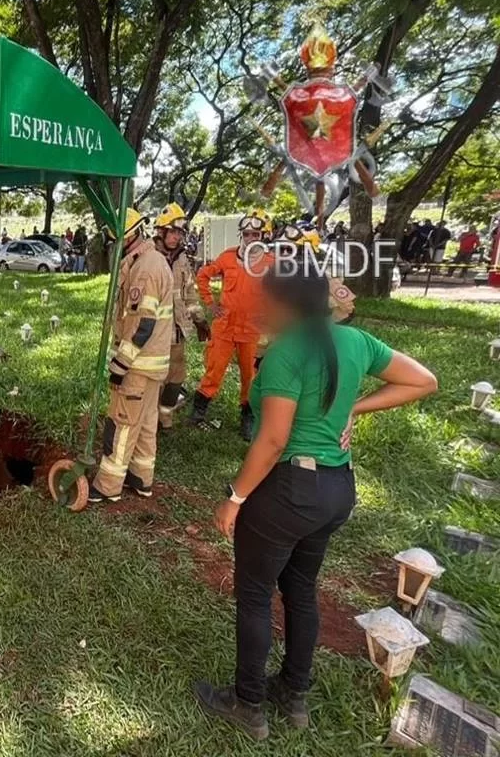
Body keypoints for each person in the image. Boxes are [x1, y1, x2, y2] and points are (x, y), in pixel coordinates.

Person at [194, 262, 437, 741]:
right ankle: (294, 693)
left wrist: (234, 497)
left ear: (286, 304)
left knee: (256, 596)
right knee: (301, 589)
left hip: (287, 492)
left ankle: (248, 703)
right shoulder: (356, 342)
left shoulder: (287, 353)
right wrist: (353, 407)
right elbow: (423, 381)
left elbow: (272, 441)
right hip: (336, 490)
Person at [90, 208, 174, 502]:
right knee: (146, 424)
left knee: (122, 424)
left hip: (137, 366)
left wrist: (120, 363)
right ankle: (141, 478)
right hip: (153, 367)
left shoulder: (145, 269)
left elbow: (142, 324)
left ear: (128, 235)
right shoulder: (149, 261)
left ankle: (107, 486)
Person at [193, 209, 273, 440]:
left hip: (252, 330)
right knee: (214, 369)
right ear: (241, 236)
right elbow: (202, 276)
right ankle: (199, 411)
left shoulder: (271, 262)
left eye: (255, 234)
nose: (250, 238)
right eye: (247, 234)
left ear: (263, 236)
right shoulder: (227, 257)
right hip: (226, 327)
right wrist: (210, 303)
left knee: (251, 375)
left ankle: (247, 416)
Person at [154, 204, 209, 429]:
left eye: (179, 233)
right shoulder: (148, 257)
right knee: (154, 378)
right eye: (172, 232)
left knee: (176, 377)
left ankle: (165, 415)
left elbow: (190, 294)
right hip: (154, 331)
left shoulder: (183, 259)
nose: (176, 237)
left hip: (177, 331)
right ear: (161, 231)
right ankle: (150, 418)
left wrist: (200, 320)